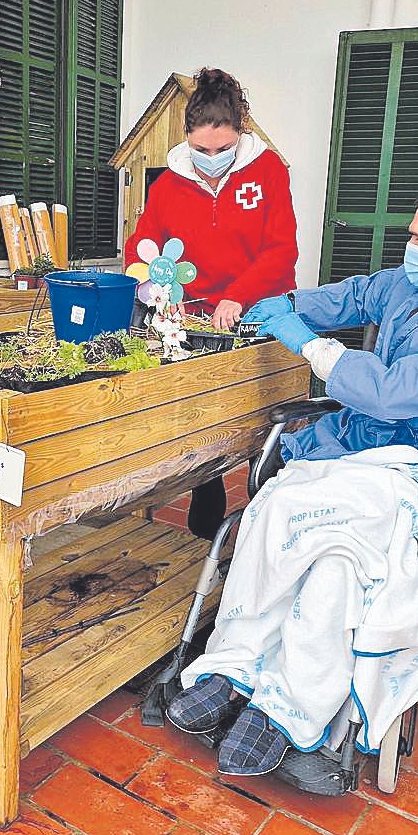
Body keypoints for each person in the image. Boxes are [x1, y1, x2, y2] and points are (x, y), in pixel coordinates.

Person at [166, 169, 418, 775]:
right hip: (357, 446)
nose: (410, 249)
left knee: (341, 557)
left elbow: (394, 393)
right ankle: (235, 664)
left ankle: (292, 706)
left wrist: (310, 346)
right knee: (271, 512)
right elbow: (356, 295)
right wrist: (287, 306)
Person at [125, 68, 298, 539]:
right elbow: (142, 247)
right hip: (198, 321)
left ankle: (271, 528)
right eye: (202, 150)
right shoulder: (168, 184)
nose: (212, 159)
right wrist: (158, 293)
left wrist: (238, 298)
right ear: (187, 137)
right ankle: (205, 541)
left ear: (241, 132)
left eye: (223, 150)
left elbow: (281, 250)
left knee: (265, 429)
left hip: (261, 315)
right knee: (210, 433)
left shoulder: (268, 172)